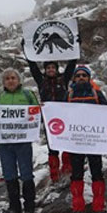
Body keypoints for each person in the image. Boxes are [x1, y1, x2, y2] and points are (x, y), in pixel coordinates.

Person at [0, 68, 39, 213]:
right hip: (5, 143)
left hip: (23, 141)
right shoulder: (0, 97)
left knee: (26, 174)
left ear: (19, 80)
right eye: (7, 78)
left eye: (13, 78)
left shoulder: (27, 94)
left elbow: (37, 111)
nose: (10, 80)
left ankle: (30, 207)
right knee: (9, 174)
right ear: (3, 82)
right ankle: (14, 207)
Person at [26, 52, 77, 183]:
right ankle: (54, 174)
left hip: (64, 117)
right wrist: (26, 50)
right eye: (48, 68)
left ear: (56, 69)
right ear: (45, 70)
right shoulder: (41, 81)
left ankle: (67, 169)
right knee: (52, 147)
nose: (50, 70)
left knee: (66, 143)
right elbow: (33, 67)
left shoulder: (63, 79)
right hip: (49, 119)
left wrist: (76, 48)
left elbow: (72, 65)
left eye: (53, 68)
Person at [66, 66, 107, 213]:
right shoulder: (69, 94)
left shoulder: (96, 93)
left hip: (93, 140)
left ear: (89, 77)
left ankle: (99, 207)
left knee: (97, 173)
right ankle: (78, 208)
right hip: (76, 141)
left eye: (84, 75)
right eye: (78, 75)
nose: (81, 78)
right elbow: (60, 112)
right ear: (74, 78)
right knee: (76, 174)